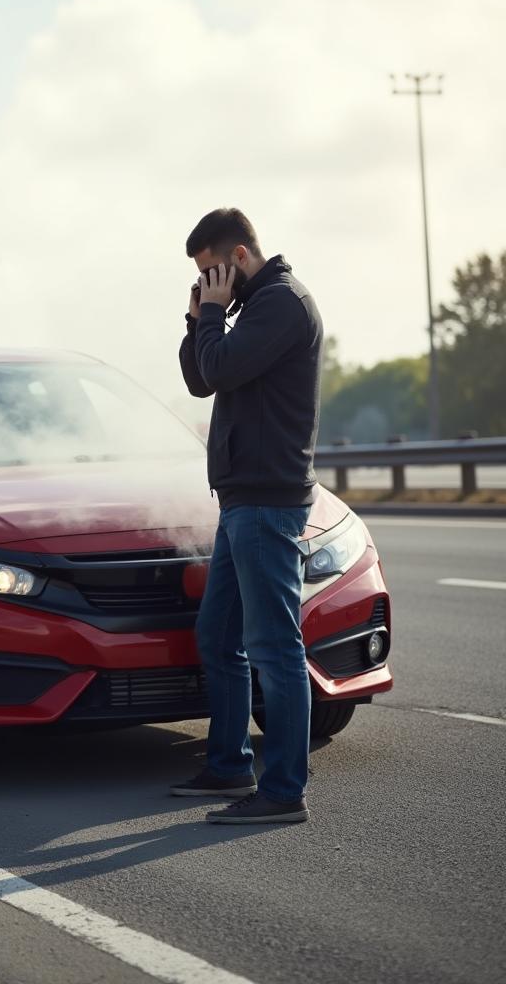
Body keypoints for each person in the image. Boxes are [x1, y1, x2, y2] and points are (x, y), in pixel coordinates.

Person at [171, 208, 323, 825]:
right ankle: (230, 763)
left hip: (267, 500)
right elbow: (200, 382)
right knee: (219, 636)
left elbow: (222, 368)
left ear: (236, 256)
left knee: (274, 646)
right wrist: (195, 318)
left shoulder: (282, 304)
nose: (209, 284)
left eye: (211, 271)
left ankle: (284, 790)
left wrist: (212, 315)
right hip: (241, 500)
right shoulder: (245, 309)